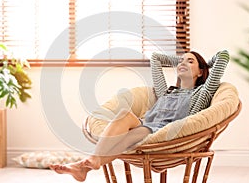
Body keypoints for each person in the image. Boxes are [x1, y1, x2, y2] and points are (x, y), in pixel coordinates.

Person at [50, 50, 230, 182]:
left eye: (190, 62)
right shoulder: (165, 91)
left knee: (130, 135)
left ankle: (86, 164)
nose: (182, 63)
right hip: (145, 125)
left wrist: (202, 62)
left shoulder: (201, 94)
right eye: (180, 61)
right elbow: (155, 58)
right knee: (123, 114)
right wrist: (182, 61)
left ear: (200, 72)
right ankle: (91, 162)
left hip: (164, 133)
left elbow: (223, 56)